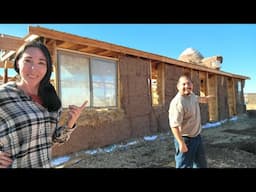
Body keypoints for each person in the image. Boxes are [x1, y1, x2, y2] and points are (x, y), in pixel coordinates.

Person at [0, 40, 87, 168]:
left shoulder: (50, 98)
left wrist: (71, 122)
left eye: (41, 62)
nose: (34, 68)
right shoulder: (4, 94)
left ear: (47, 68)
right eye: (28, 61)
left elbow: (52, 140)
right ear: (18, 63)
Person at [168, 75, 212, 168]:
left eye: (189, 83)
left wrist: (206, 99)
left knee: (201, 165)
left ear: (192, 85)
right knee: (184, 166)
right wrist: (181, 143)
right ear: (178, 86)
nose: (187, 86)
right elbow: (174, 126)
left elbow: (198, 98)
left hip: (197, 137)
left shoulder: (191, 95)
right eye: (183, 84)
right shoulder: (178, 103)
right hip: (185, 139)